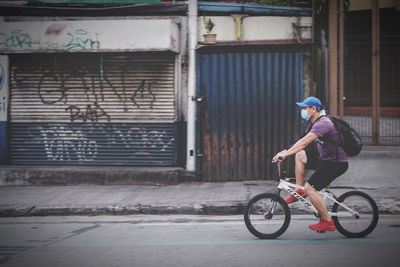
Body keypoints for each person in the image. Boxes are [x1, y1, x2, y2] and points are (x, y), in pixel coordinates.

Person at [273, 96, 349, 232]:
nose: (302, 111)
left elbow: (304, 143)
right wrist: (284, 151)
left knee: (311, 189)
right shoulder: (314, 123)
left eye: (304, 108)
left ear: (313, 109)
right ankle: (299, 190)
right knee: (300, 154)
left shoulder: (323, 123)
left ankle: (327, 221)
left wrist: (284, 155)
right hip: (325, 159)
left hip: (335, 163)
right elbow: (300, 141)